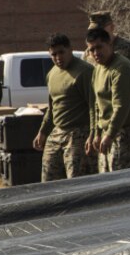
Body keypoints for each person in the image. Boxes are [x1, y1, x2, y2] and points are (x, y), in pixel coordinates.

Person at [86, 26, 130, 172]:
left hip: (126, 135)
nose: (96, 53)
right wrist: (97, 133)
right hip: (108, 132)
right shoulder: (98, 69)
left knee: (126, 182)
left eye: (99, 47)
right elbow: (98, 104)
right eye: (91, 50)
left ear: (110, 44)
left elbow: (121, 106)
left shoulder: (122, 68)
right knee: (108, 180)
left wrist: (110, 134)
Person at [33, 34, 95, 181]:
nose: (58, 57)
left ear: (70, 50)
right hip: (57, 132)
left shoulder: (85, 71)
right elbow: (52, 106)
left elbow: (94, 106)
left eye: (61, 52)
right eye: (53, 54)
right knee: (48, 179)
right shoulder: (52, 74)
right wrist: (42, 132)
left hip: (78, 133)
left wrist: (93, 134)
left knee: (76, 181)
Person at [85, 11, 130, 87]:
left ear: (112, 27)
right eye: (93, 31)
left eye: (101, 29)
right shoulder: (88, 52)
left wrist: (121, 82)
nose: (97, 33)